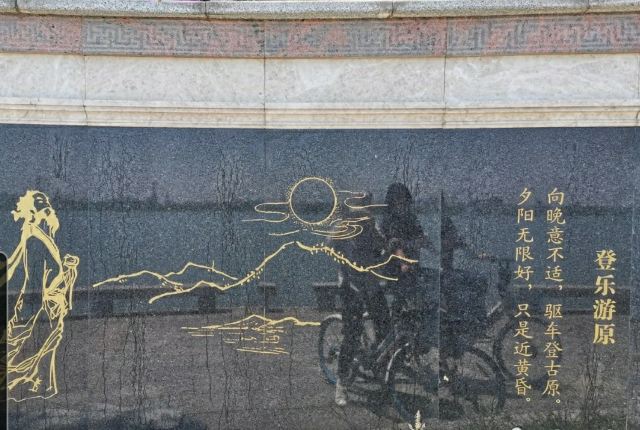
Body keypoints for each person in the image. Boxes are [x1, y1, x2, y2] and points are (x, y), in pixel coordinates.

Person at [6, 190, 78, 401]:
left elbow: (34, 282)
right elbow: (27, 275)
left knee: (32, 353)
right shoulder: (38, 239)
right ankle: (42, 390)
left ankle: (36, 393)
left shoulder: (36, 240)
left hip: (44, 308)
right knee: (41, 354)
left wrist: (22, 314)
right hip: (49, 308)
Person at [333, 194, 386, 407]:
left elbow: (383, 249)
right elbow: (330, 244)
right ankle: (341, 384)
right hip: (350, 287)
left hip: (371, 285)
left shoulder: (372, 227)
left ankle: (380, 367)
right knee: (352, 336)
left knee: (386, 327)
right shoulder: (344, 229)